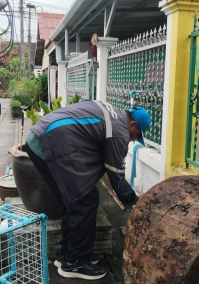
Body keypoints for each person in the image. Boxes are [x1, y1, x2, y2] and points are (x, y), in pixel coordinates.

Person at [23, 99, 152, 280]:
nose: (132, 140)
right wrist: (133, 200)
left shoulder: (112, 114)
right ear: (132, 124)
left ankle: (68, 255)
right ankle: (74, 263)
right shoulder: (119, 131)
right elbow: (115, 173)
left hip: (40, 138)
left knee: (75, 199)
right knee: (84, 199)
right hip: (48, 143)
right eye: (136, 134)